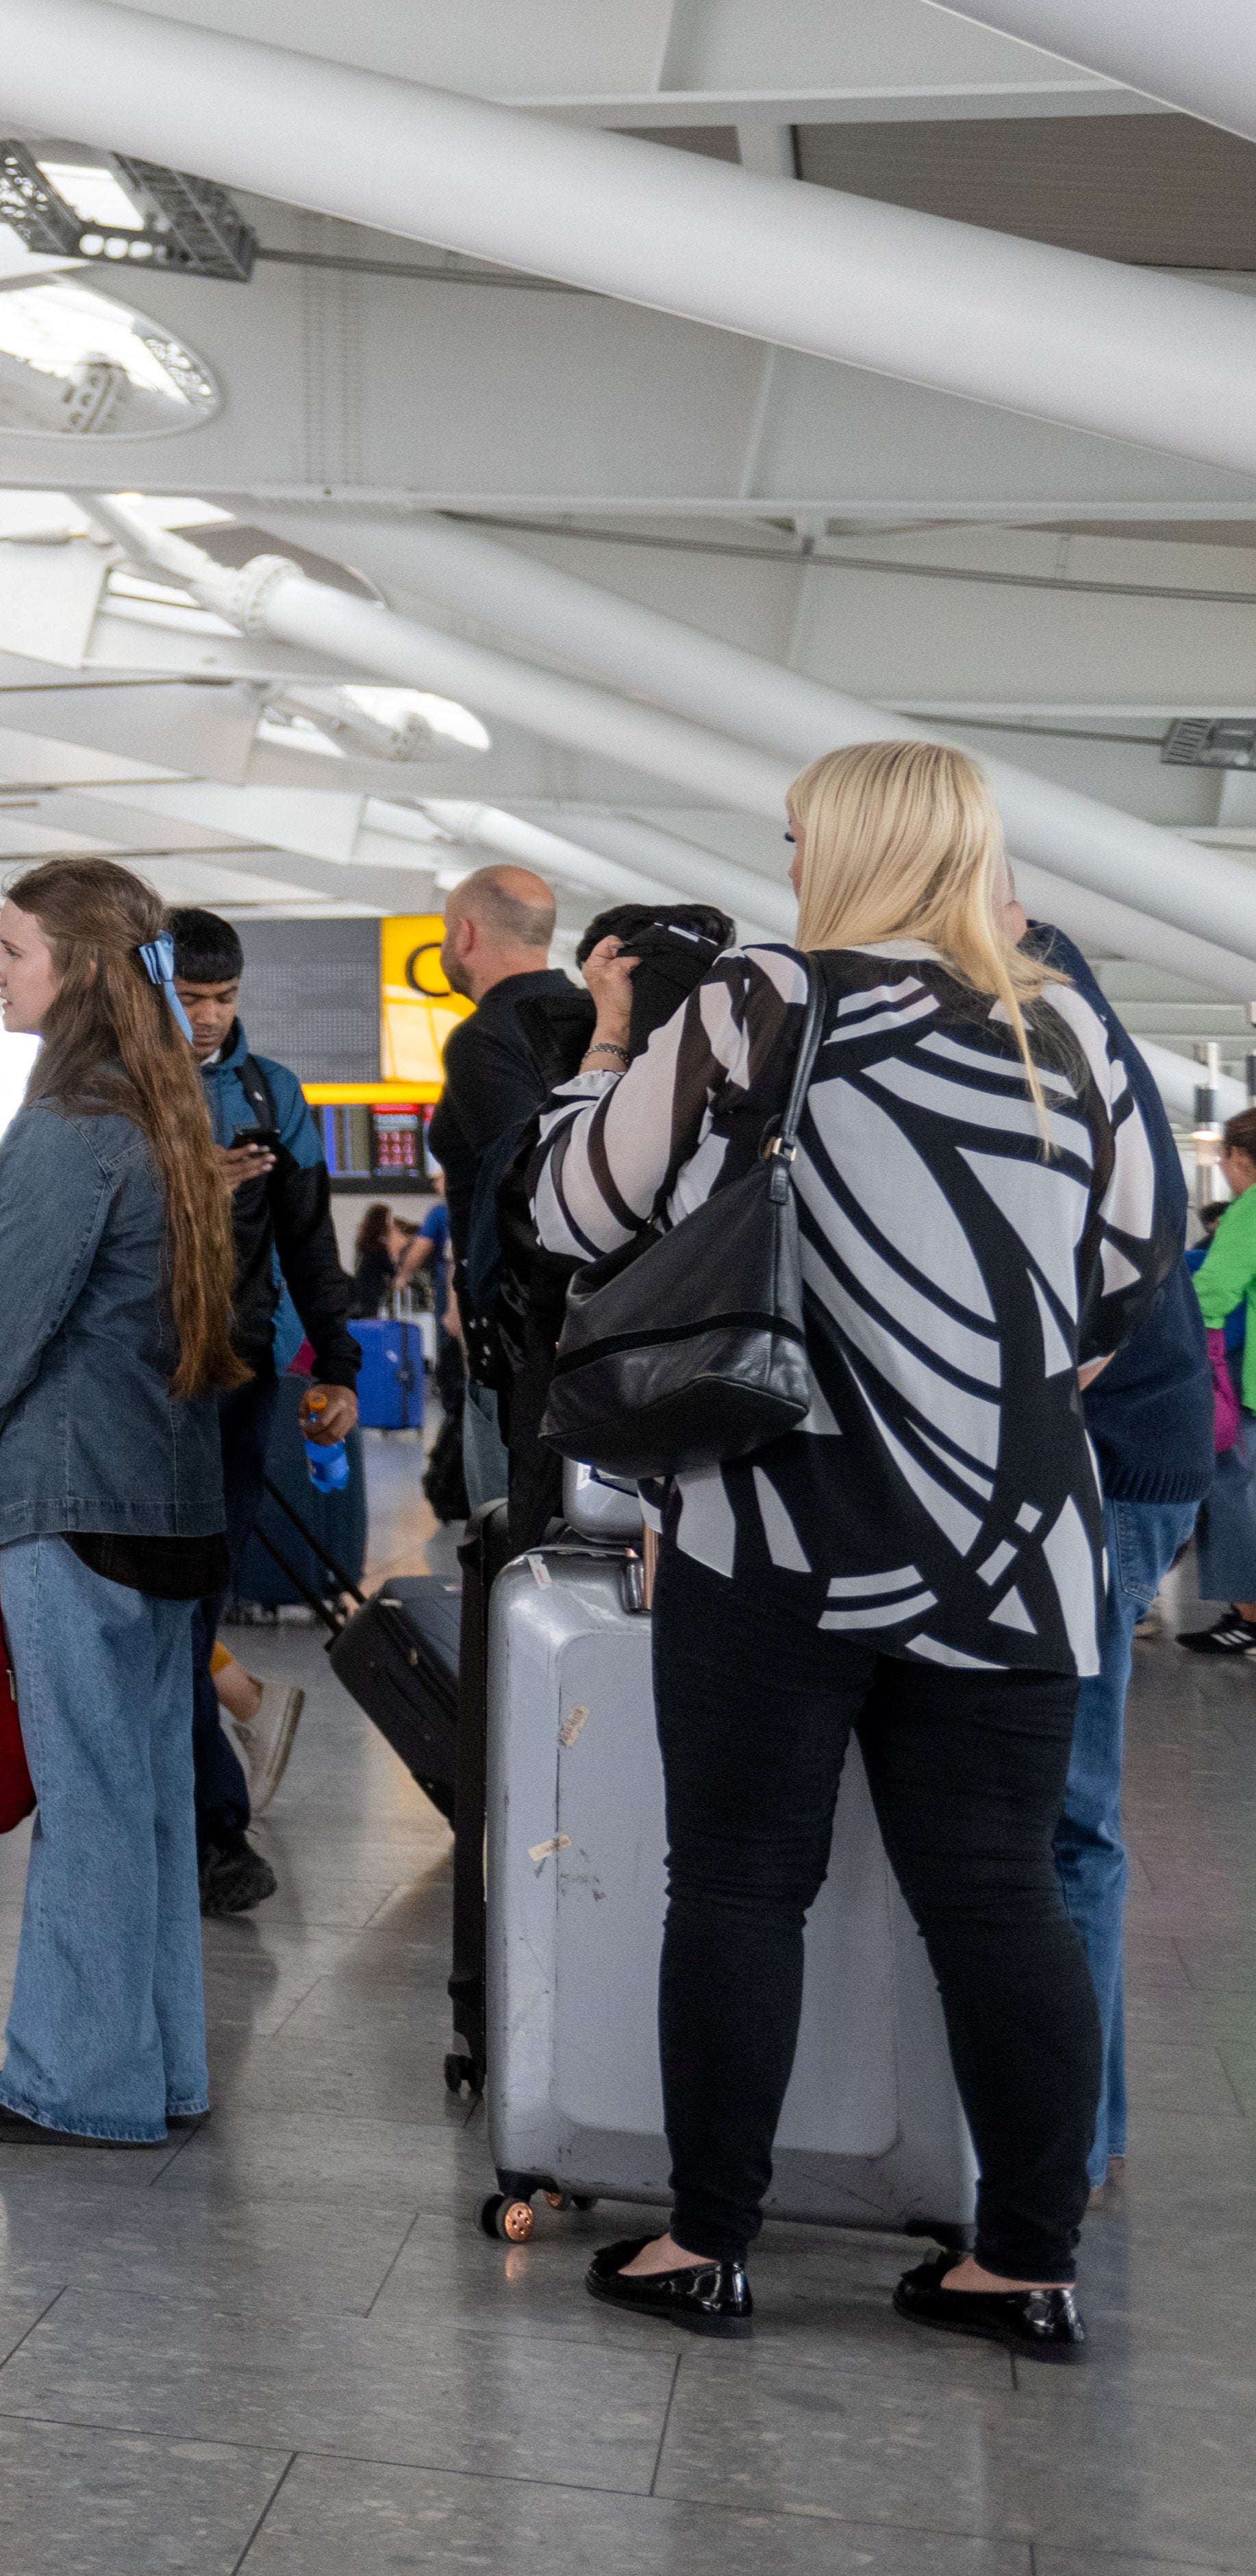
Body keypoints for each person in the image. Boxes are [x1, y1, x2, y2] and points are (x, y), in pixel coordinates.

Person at [538, 742, 1170, 2358]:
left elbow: (570, 1211)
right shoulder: (1070, 1024)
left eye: (798, 829)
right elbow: (1122, 1266)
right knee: (998, 1895)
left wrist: (607, 1043)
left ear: (847, 847)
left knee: (741, 1884)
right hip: (1010, 1532)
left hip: (780, 1515)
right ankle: (1021, 2262)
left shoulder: (766, 994)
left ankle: (708, 2243)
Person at [0, 858, 243, 2148]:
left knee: (93, 1802)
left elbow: (5, 1329)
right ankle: (159, 2065)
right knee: (149, 1799)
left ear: (74, 968)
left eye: (9, 948)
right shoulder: (163, 1118)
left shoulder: (66, 1130)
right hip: (166, 1498)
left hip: (69, 1495)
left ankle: (71, 2080)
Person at [1022, 921, 1205, 2188]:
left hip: (1099, 1464)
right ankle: (1077, 2132)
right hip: (1112, 1458)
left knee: (1060, 1816)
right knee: (1052, 1815)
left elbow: (1107, 1255)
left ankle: (1066, 2143)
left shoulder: (1036, 1006)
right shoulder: (1038, 1001)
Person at [164, 909, 366, 1914]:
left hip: (233, 1384)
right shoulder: (111, 1090)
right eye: (190, 998)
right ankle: (198, 1825)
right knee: (150, 1613)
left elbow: (306, 1242)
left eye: (224, 999)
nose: (207, 1018)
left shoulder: (267, 1092)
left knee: (199, 1600)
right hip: (130, 1389)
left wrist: (337, 1368)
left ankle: (205, 1829)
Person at [423, 863, 573, 1519]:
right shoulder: (594, 1018)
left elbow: (516, 1181)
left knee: (507, 1539)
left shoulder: (484, 1038)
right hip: (588, 1327)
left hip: (516, 1343)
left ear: (465, 935)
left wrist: (477, 1302)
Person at [1187, 1107, 1256, 1660]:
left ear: (1237, 1157)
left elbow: (1213, 1292)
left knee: (1234, 1491)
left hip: (1250, 1383)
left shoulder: (1252, 1208)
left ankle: (1251, 1618)